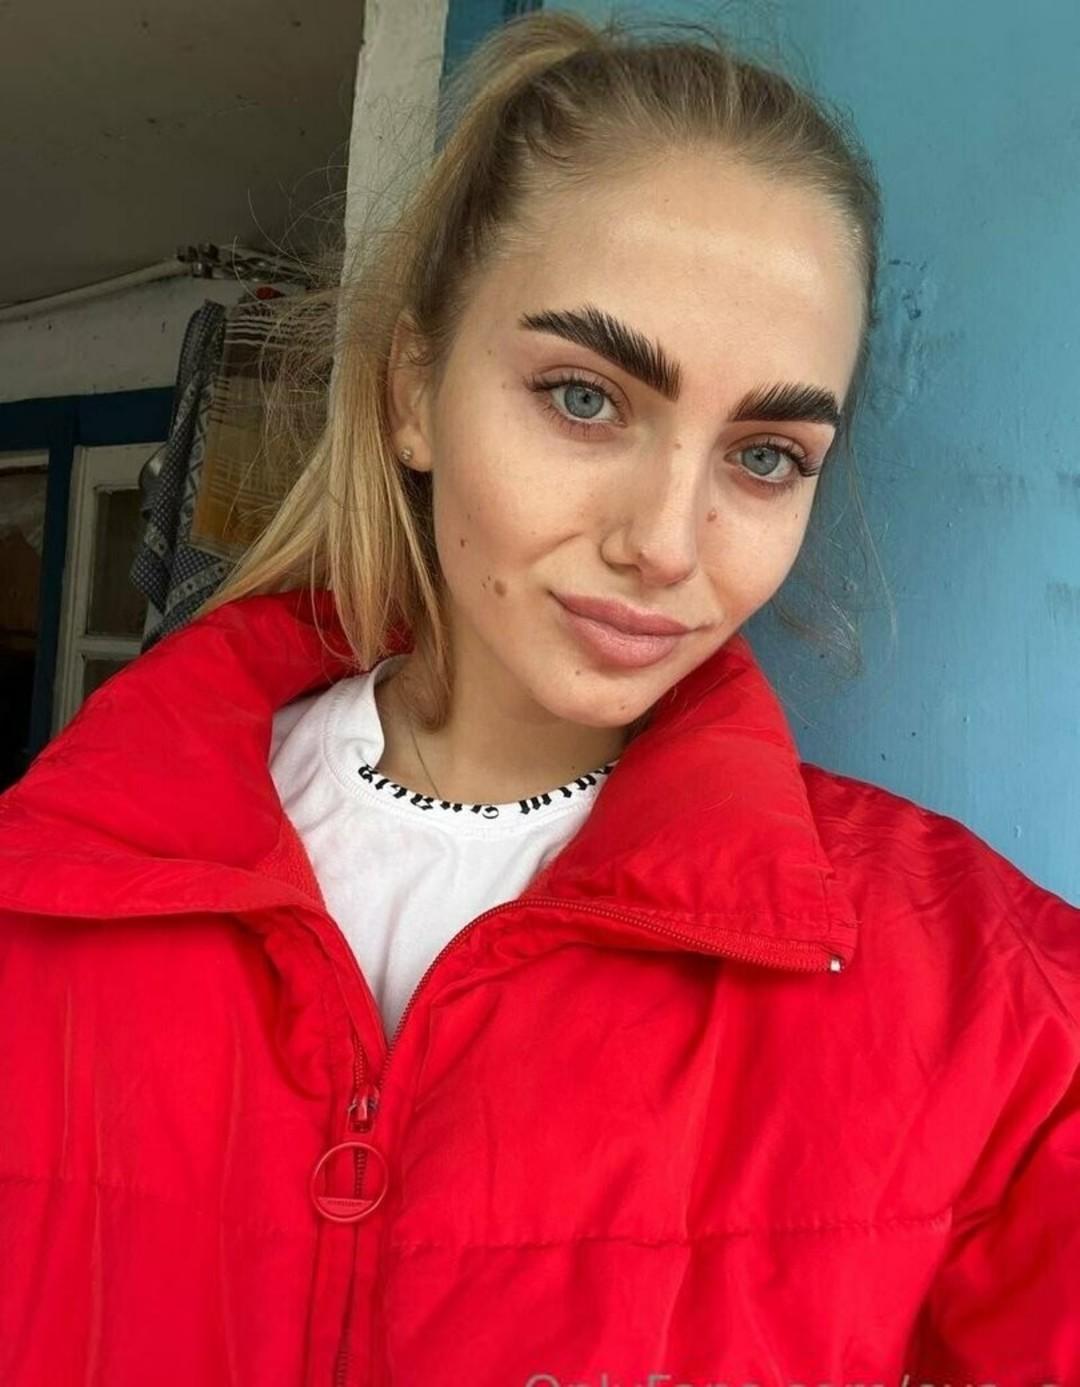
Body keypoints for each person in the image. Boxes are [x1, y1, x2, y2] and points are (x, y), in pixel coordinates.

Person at [1, 10, 1076, 1386]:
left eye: (765, 456)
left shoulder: (992, 1008)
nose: (667, 543)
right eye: (583, 397)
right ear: (412, 389)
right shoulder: (45, 898)